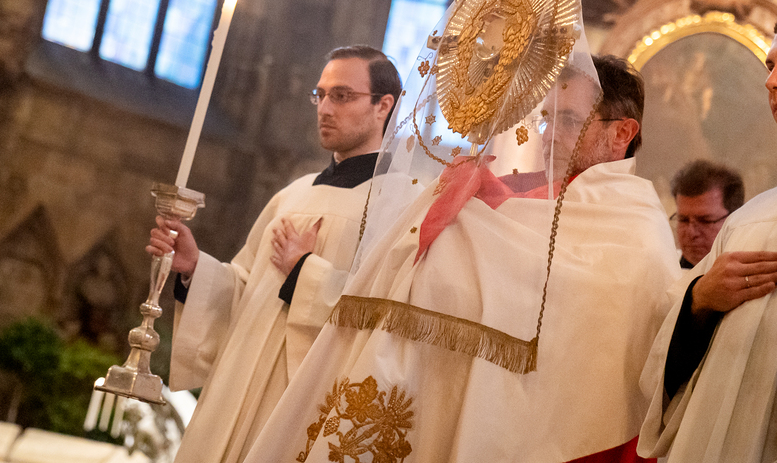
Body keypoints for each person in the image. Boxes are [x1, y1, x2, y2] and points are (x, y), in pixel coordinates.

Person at [243, 43, 680, 462]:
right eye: (546, 119)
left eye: (568, 120)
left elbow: (567, 327)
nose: (548, 136)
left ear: (622, 133)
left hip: (561, 441)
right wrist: (453, 209)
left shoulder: (635, 229)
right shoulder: (522, 195)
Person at [146, 45, 401, 463]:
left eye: (342, 96)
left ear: (382, 106)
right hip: (235, 392)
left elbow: (384, 317)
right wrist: (196, 269)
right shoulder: (292, 195)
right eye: (321, 95)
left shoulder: (396, 205)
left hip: (300, 405)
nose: (325, 109)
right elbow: (245, 293)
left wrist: (303, 272)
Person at [637, 29, 777, 462]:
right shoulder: (749, 222)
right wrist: (699, 302)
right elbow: (667, 381)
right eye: (771, 66)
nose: (770, 81)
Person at [669, 160, 745, 269]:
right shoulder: (665, 272)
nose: (691, 233)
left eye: (705, 221)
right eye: (683, 220)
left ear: (736, 219)